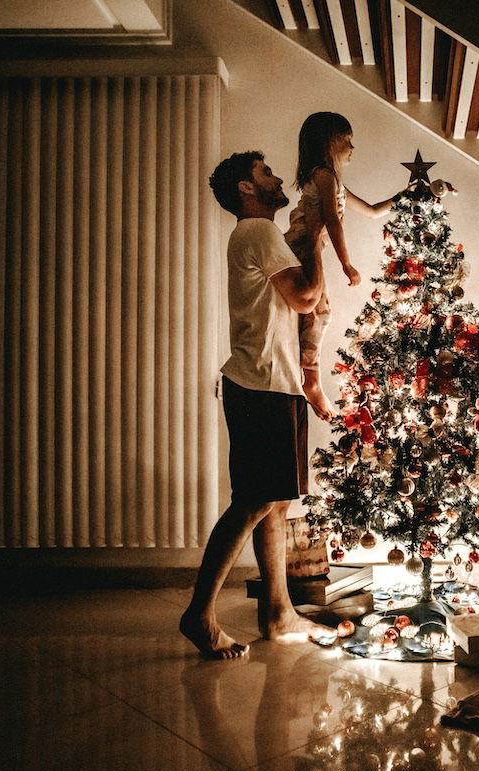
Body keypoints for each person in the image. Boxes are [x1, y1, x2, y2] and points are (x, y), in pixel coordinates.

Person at [180, 151, 334, 659]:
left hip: (275, 382)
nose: (274, 179)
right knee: (252, 499)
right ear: (247, 188)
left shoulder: (257, 237)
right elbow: (307, 297)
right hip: (261, 383)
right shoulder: (257, 232)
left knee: (274, 498)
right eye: (265, 173)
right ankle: (200, 614)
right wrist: (315, 235)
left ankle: (278, 611)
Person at [285, 111, 395, 421]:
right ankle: (311, 382)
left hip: (306, 251)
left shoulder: (333, 181)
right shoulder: (324, 175)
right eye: (347, 141)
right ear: (330, 143)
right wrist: (347, 264)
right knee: (318, 312)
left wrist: (406, 196)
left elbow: (373, 211)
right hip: (299, 249)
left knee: (316, 313)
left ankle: (309, 379)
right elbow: (331, 221)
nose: (352, 148)